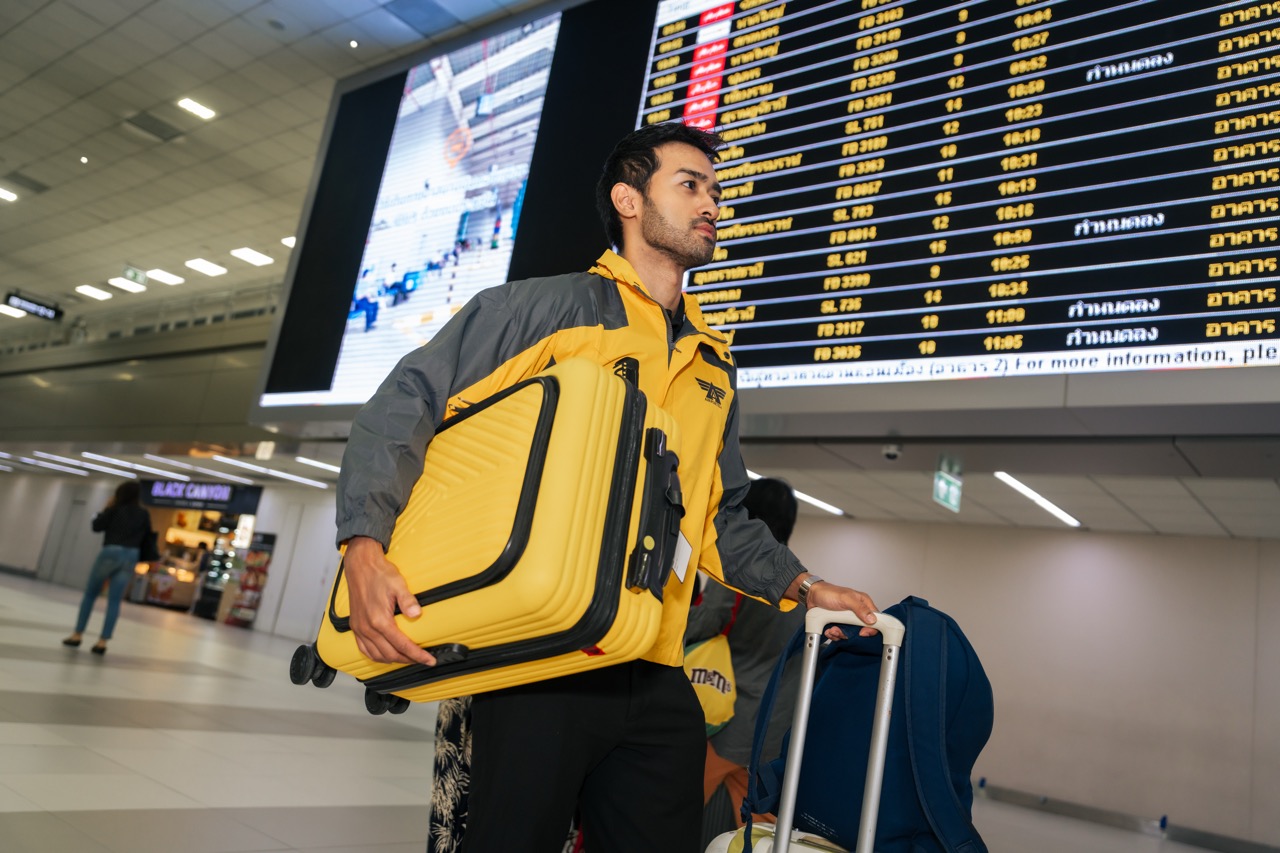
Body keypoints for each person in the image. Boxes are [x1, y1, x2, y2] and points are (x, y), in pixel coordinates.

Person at [335, 122, 880, 853]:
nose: (711, 203)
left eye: (715, 191)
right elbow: (405, 401)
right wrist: (364, 551)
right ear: (629, 198)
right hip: (539, 662)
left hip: (655, 671)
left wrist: (806, 585)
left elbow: (720, 519)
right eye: (690, 185)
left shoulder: (713, 364)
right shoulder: (544, 311)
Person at [684, 477, 807, 843]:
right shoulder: (797, 580)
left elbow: (708, 620)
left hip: (726, 718)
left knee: (677, 803)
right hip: (771, 727)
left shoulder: (737, 573)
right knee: (758, 823)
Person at [63, 480, 152, 655]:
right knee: (114, 600)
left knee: (90, 594)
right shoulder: (143, 513)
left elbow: (96, 527)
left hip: (111, 552)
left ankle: (77, 635)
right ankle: (102, 642)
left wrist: (105, 510)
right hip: (131, 555)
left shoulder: (115, 509)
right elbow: (147, 535)